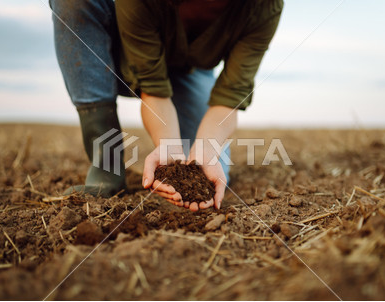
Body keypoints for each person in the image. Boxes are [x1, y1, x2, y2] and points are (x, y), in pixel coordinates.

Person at [49, 0, 283, 211]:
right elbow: (154, 88)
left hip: (189, 72)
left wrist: (206, 150)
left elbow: (229, 98)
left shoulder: (263, 7)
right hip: (125, 54)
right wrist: (168, 144)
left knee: (211, 169)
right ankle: (106, 169)